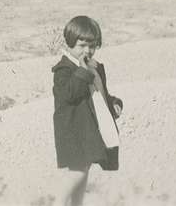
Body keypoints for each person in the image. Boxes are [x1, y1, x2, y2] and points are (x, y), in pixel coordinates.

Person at [52, 15, 123, 206]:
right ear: (69, 44)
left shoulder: (96, 67)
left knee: (83, 173)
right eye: (81, 45)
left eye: (92, 46)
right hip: (73, 130)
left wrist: (114, 103)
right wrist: (82, 71)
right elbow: (69, 95)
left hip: (90, 129)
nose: (87, 51)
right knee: (76, 173)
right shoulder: (64, 69)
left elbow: (100, 94)